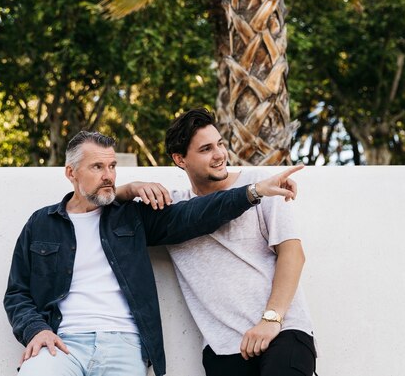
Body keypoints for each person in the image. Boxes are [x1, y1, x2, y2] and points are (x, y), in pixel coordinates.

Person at [3, 130, 302, 376]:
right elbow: (17, 293)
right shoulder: (42, 224)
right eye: (97, 167)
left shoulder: (131, 217)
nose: (108, 175)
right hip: (62, 344)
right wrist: (35, 330)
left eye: (112, 167)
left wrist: (253, 192)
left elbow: (195, 214)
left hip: (123, 344)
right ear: (71, 172)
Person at [121, 109, 316, 376]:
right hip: (223, 348)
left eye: (220, 144)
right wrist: (130, 188)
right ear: (180, 159)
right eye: (206, 149)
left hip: (282, 331)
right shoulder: (172, 208)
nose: (220, 154)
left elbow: (293, 254)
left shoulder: (262, 186)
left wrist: (271, 319)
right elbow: (101, 211)